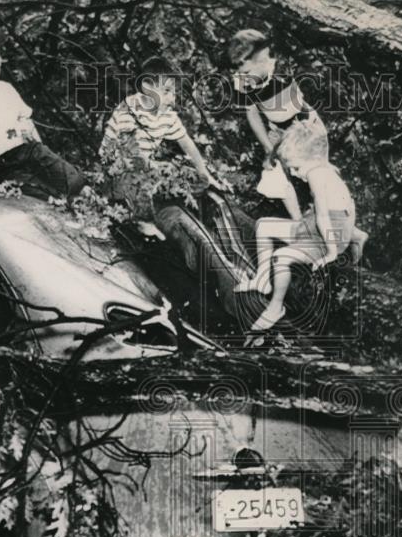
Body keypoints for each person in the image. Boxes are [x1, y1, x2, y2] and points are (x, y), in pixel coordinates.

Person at [240, 118, 369, 332]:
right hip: (321, 223)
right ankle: (263, 280)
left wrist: (331, 252)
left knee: (281, 258)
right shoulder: (322, 168)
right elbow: (346, 208)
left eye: (297, 167)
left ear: (312, 159)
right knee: (263, 225)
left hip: (329, 232)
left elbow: (325, 219)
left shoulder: (318, 176)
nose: (296, 174)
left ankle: (275, 307)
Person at [0, 30, 85, 199]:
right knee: (40, 195)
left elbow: (27, 123)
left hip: (28, 151)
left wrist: (44, 160)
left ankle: (82, 194)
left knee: (75, 182)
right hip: (1, 162)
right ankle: (49, 196)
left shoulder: (5, 88)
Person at [98, 56, 221, 239]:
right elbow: (131, 153)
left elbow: (187, 143)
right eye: (167, 91)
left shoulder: (167, 116)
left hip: (143, 168)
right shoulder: (130, 109)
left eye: (174, 92)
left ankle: (200, 217)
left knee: (189, 176)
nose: (172, 98)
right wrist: (155, 168)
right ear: (147, 88)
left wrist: (204, 174)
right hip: (115, 169)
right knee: (140, 175)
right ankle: (143, 222)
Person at [227, 28, 326, 223]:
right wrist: (268, 146)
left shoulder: (280, 72)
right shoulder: (243, 80)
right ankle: (299, 222)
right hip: (279, 130)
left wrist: (279, 145)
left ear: (263, 59)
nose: (243, 76)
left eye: (247, 71)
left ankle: (326, 219)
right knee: (277, 175)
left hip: (305, 127)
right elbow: (252, 112)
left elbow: (298, 118)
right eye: (240, 71)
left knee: (315, 175)